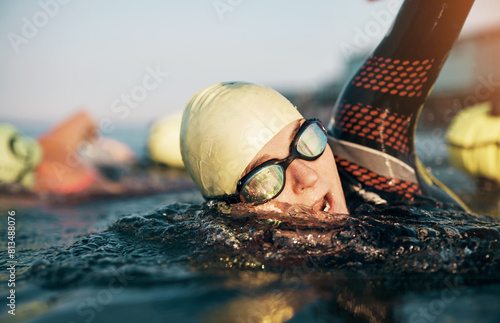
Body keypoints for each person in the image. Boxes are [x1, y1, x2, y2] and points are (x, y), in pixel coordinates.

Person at [180, 0, 475, 214]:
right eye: (265, 177)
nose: (308, 177)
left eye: (307, 139)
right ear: (229, 210)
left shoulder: (366, 147)